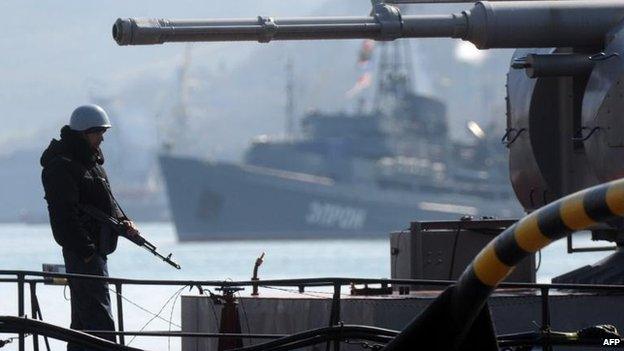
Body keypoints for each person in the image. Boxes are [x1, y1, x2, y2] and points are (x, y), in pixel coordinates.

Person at [40, 104, 139, 350]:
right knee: (99, 320)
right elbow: (63, 217)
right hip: (84, 254)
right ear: (85, 132)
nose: (102, 138)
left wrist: (124, 223)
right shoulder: (61, 166)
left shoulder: (92, 165)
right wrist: (86, 251)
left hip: (97, 251)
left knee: (84, 323)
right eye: (99, 132)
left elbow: (106, 203)